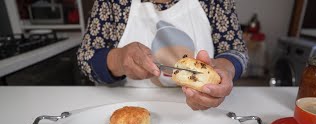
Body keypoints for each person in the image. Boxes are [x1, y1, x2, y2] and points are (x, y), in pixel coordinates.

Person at [77, 0, 248, 111]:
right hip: (125, 105)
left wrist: (224, 70)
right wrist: (119, 59)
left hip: (205, 112)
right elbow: (85, 58)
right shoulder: (112, 3)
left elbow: (236, 50)